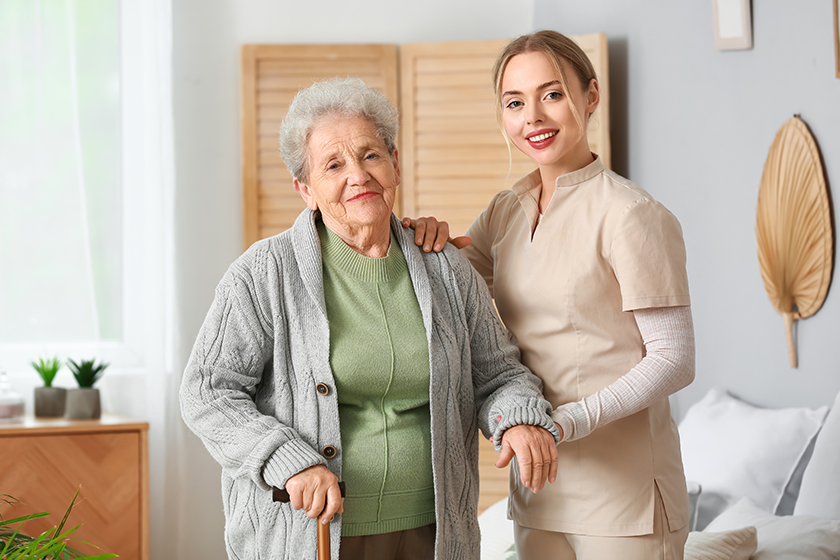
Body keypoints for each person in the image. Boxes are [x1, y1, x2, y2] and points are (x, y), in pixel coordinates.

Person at [180, 77, 561, 560]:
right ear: (306, 190)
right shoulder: (264, 274)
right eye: (333, 165)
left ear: (395, 164)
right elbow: (207, 391)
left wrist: (519, 420)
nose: (358, 175)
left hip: (434, 528)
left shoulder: (445, 267)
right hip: (309, 530)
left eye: (371, 155)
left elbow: (497, 374)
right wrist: (288, 461)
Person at [403, 30, 695, 560]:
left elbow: (675, 360)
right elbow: (448, 286)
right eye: (515, 102)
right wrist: (423, 237)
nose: (532, 117)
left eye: (552, 94)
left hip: (624, 497)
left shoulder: (631, 215)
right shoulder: (506, 212)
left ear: (590, 96)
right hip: (539, 482)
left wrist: (565, 422)